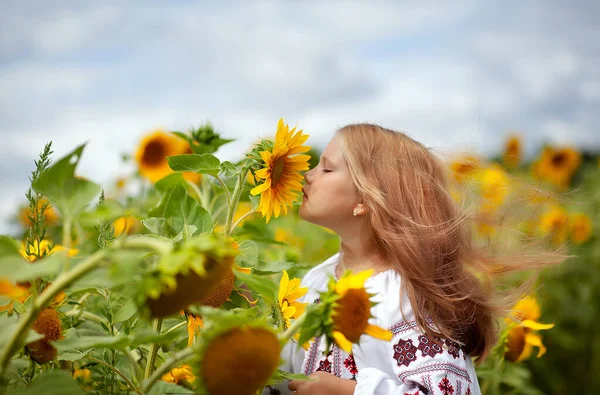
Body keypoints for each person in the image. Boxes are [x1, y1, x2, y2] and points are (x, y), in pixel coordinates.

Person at [264, 123, 558, 395]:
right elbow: (278, 373)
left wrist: (349, 392)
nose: (309, 174)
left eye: (327, 169)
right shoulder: (315, 280)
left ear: (365, 199)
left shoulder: (408, 297)